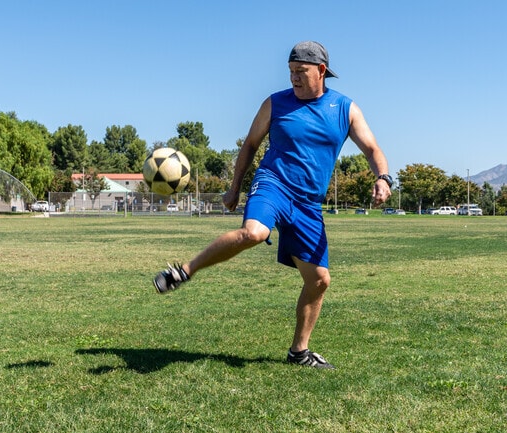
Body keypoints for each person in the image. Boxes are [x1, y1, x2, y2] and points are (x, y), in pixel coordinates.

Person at [153, 41, 392, 369]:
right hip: (273, 185)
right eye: (291, 71)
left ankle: (299, 353)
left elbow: (373, 149)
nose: (293, 77)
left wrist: (383, 178)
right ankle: (184, 271)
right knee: (252, 233)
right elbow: (250, 145)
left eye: (301, 72)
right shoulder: (275, 103)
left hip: (308, 204)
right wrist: (234, 189)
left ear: (321, 71)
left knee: (319, 280)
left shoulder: (345, 109)